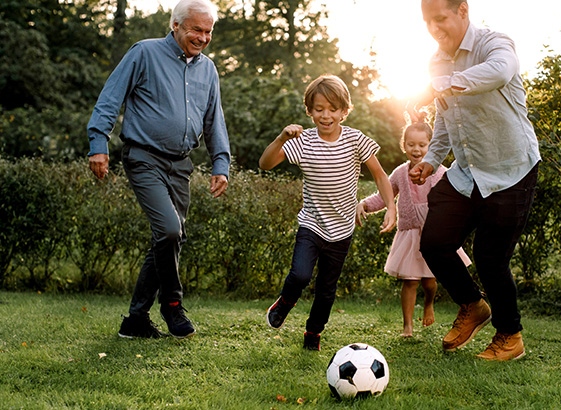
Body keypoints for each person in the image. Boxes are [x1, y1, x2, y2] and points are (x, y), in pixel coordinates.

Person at [86, 0, 231, 339]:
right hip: (144, 157)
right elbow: (110, 97)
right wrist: (98, 143)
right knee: (169, 230)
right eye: (197, 29)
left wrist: (220, 163)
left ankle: (135, 320)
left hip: (181, 164)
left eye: (208, 31)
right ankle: (172, 305)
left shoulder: (208, 69)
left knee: (170, 238)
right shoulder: (144, 53)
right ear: (176, 25)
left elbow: (214, 120)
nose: (203, 37)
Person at [410, 0, 541, 361]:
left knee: (489, 257)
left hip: (511, 170)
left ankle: (510, 336)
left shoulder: (494, 43)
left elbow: (499, 72)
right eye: (427, 21)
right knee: (434, 242)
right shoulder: (437, 61)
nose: (434, 28)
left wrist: (445, 82)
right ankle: (472, 305)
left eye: (440, 18)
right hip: (468, 172)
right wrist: (433, 159)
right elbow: (446, 119)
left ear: (462, 10)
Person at [259, 74, 396, 351]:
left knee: (326, 291)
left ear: (344, 111)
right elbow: (265, 164)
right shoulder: (302, 142)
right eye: (319, 109)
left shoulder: (356, 140)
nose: (326, 115)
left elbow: (381, 176)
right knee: (299, 276)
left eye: (333, 109)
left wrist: (391, 206)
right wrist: (281, 138)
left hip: (342, 229)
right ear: (309, 111)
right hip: (311, 224)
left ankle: (313, 334)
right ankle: (285, 301)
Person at [356, 112, 471, 338]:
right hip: (409, 234)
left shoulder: (439, 172)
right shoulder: (400, 172)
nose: (416, 149)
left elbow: (456, 196)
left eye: (422, 145)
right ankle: (407, 326)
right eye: (411, 145)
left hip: (433, 233)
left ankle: (429, 303)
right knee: (410, 282)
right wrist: (365, 205)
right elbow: (385, 196)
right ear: (404, 145)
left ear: (431, 146)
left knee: (429, 282)